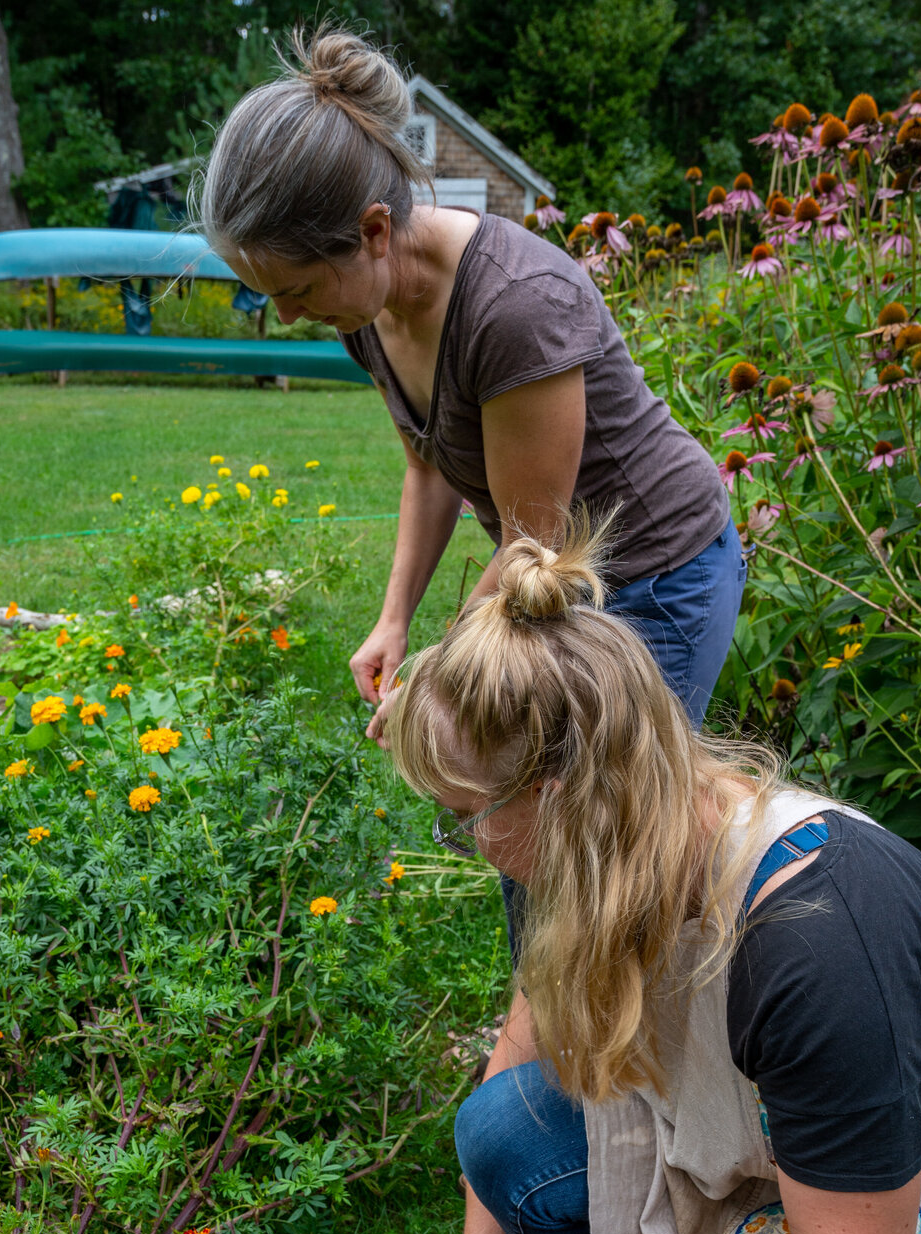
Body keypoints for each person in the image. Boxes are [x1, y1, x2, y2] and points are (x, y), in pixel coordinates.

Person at [376, 523, 921, 1234]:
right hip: (759, 1171)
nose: (467, 840)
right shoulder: (609, 842)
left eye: (467, 817)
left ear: (564, 791)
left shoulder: (820, 941)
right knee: (503, 1129)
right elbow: (515, 1060)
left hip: (887, 1222)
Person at [198, 22, 745, 1132]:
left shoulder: (514, 304)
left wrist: (442, 680)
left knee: (610, 839)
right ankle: (550, 1075)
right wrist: (395, 620)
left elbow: (532, 546)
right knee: (527, 824)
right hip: (548, 573)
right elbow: (430, 461)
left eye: (296, 289)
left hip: (648, 576)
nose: (289, 318)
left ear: (374, 228)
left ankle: (647, 1092)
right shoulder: (376, 307)